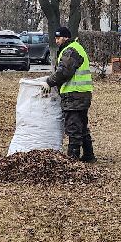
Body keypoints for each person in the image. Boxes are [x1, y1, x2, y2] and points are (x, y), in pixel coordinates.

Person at [44, 25, 95, 163]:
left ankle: (72, 160)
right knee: (82, 126)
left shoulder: (70, 50)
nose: (57, 41)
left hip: (74, 95)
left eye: (59, 38)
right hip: (82, 94)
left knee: (73, 128)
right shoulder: (75, 48)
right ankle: (89, 155)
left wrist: (49, 82)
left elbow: (64, 72)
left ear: (66, 37)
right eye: (55, 38)